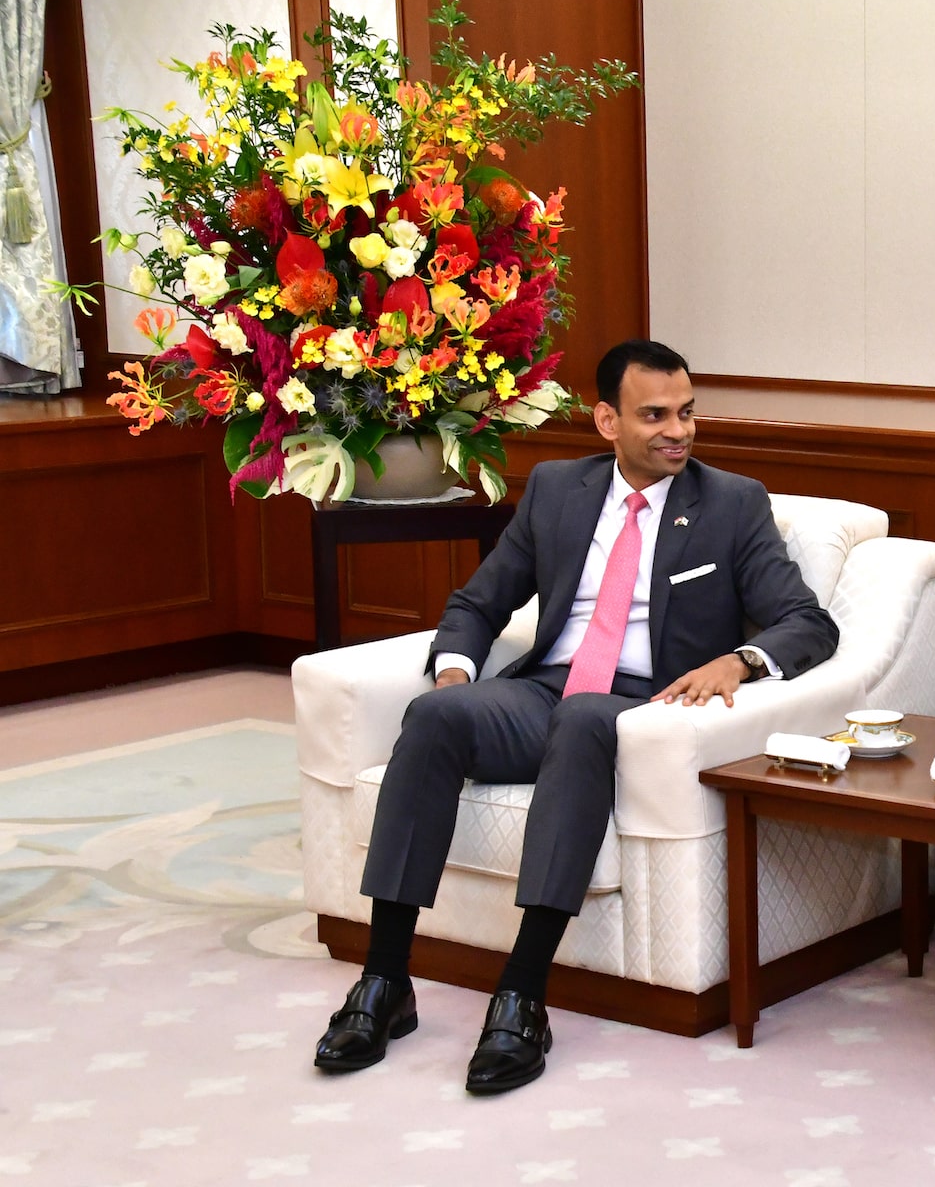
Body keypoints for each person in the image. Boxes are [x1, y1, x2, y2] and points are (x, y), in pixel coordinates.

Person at [313, 339, 839, 1094]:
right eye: (654, 416)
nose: (678, 431)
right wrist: (455, 676)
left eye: (687, 413)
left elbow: (807, 622)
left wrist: (739, 661)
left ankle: (522, 994)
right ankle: (384, 980)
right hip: (543, 692)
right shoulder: (559, 489)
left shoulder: (731, 504)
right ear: (607, 422)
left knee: (587, 719)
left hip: (642, 704)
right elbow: (479, 603)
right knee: (434, 718)